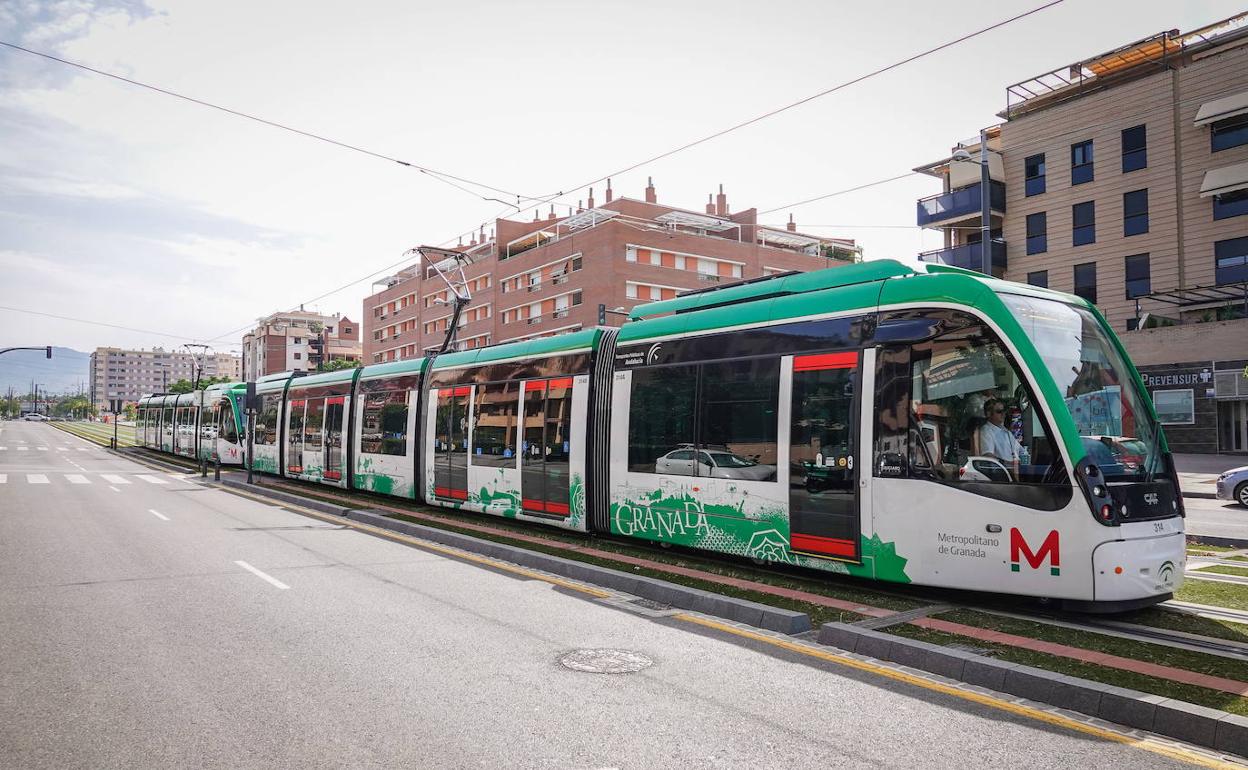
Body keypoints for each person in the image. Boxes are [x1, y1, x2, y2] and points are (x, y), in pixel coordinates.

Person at [977, 398, 1020, 481]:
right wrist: (1007, 464)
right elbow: (988, 456)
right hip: (1001, 476)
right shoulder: (986, 431)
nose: (1003, 414)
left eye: (1004, 411)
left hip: (1015, 473)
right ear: (989, 414)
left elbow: (1020, 451)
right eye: (999, 412)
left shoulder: (1006, 431)